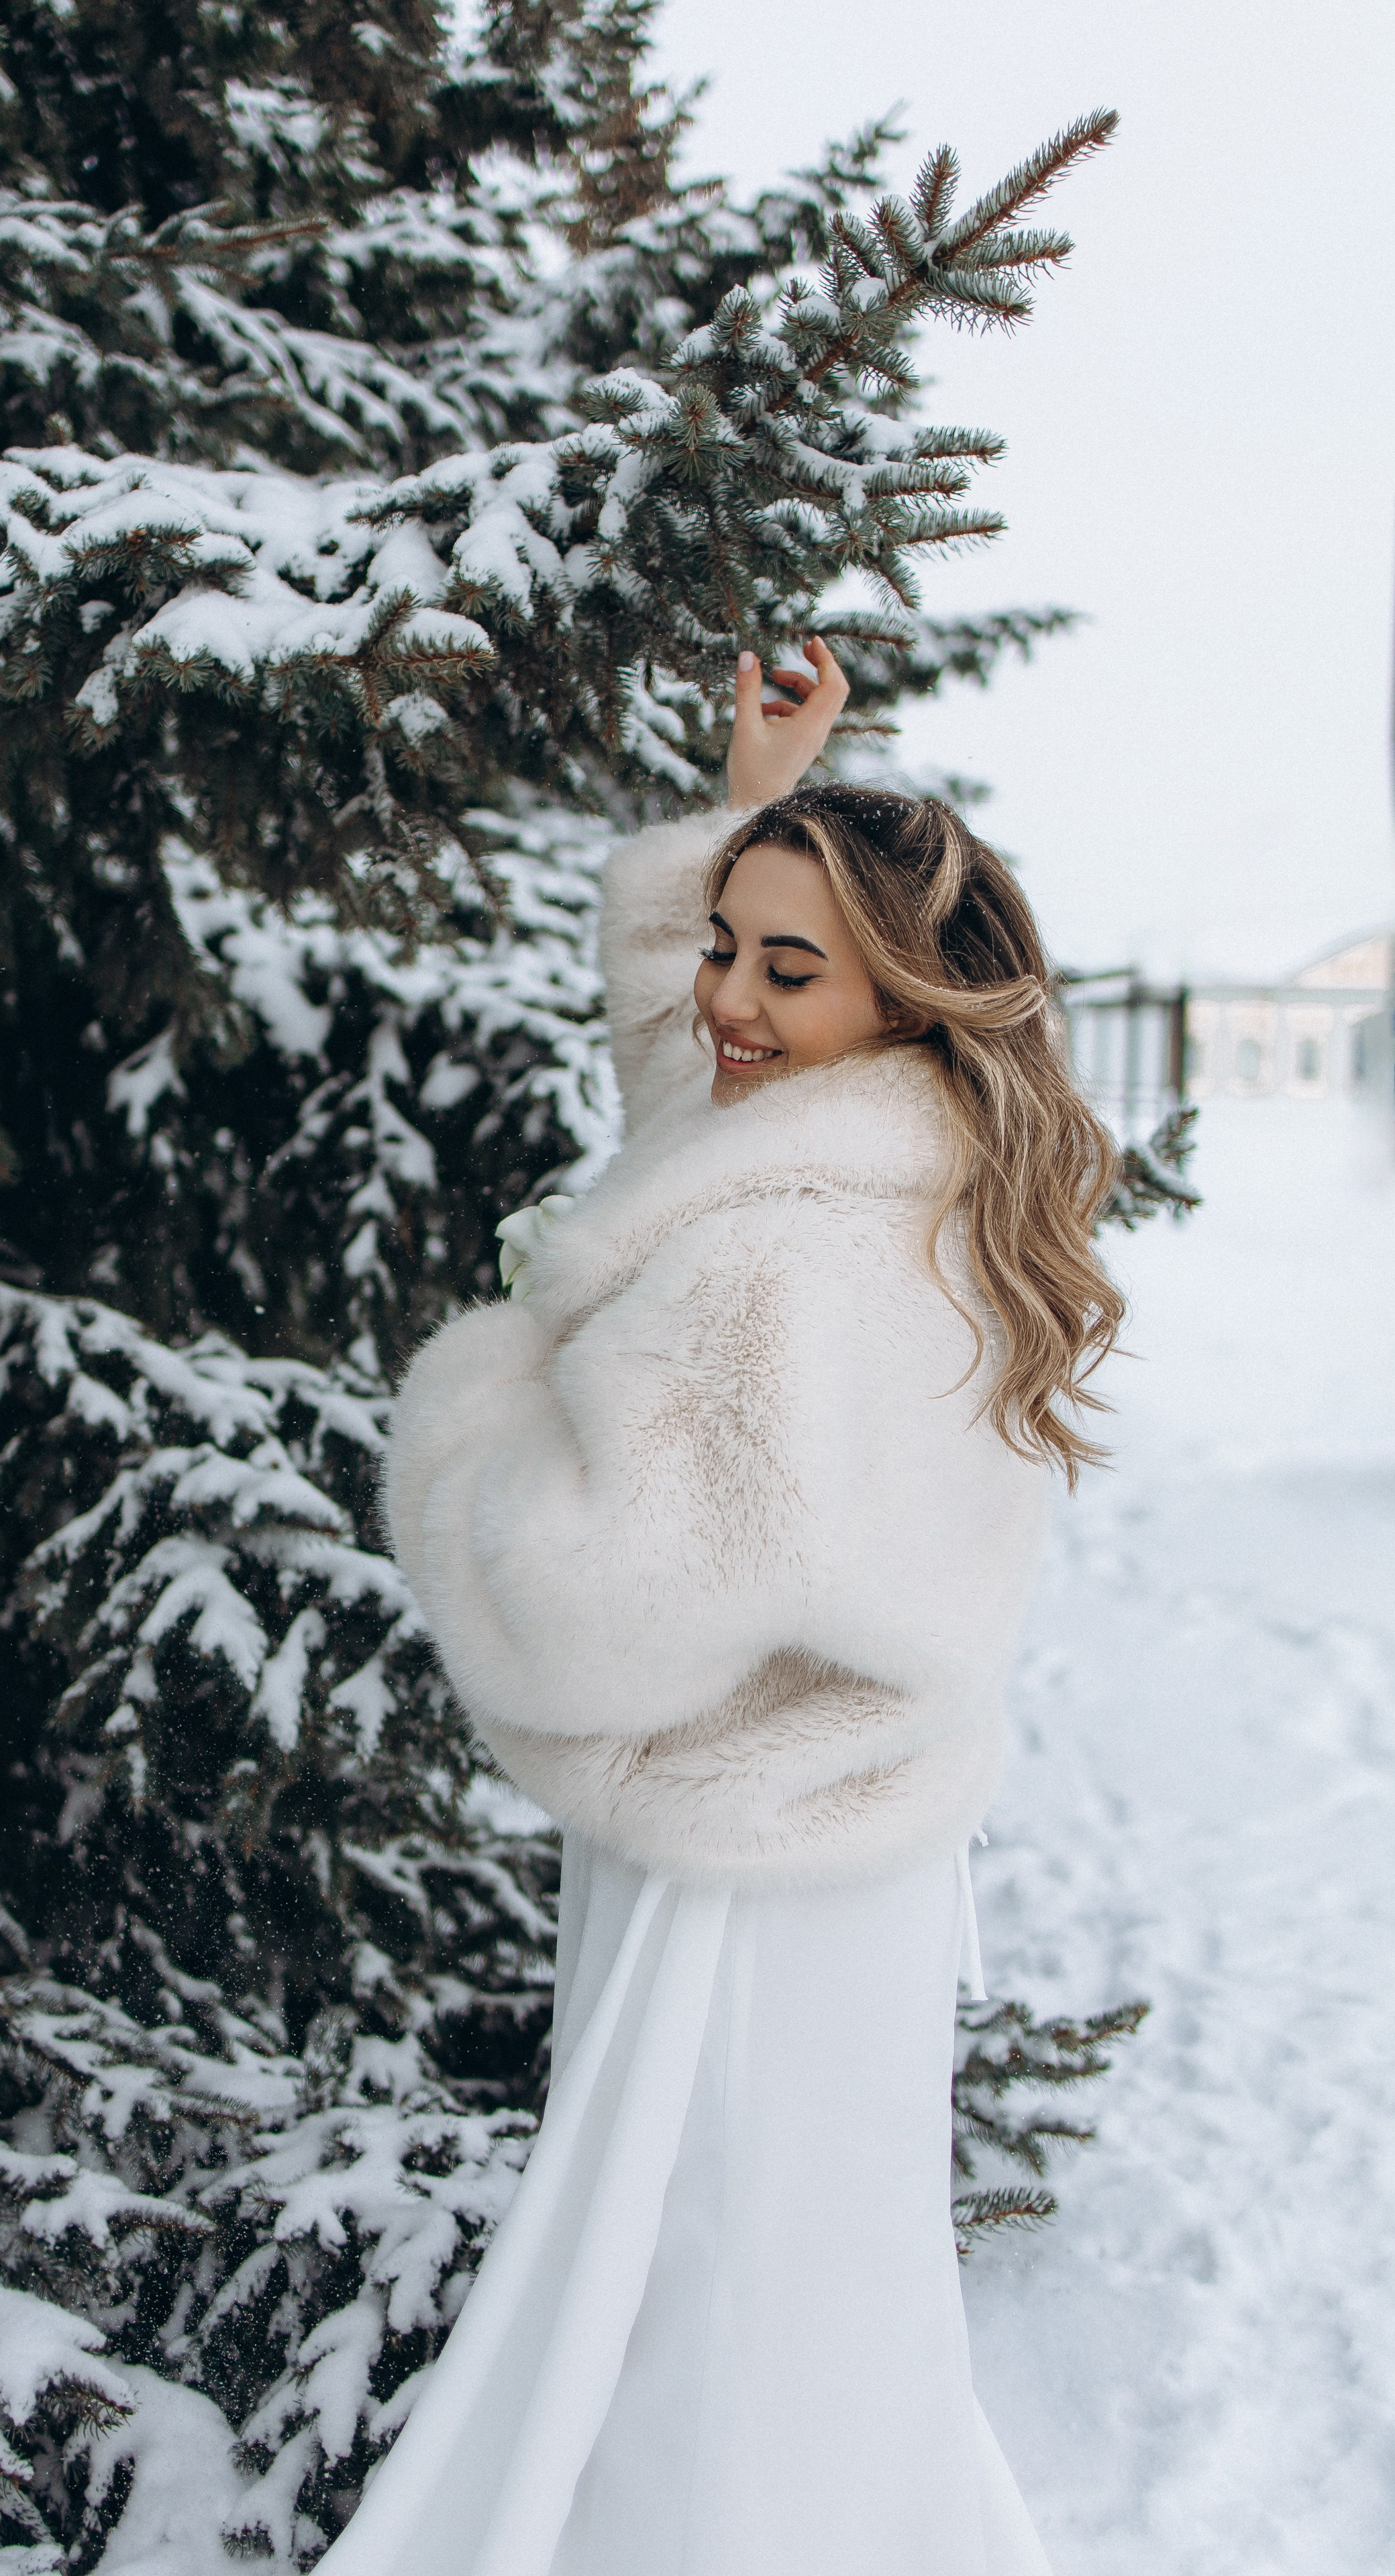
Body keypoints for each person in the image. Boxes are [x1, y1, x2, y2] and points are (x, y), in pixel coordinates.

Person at [323, 642, 1126, 2576]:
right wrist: (757, 787)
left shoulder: (774, 1261)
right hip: (843, 1832)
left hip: (732, 1868)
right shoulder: (913, 1163)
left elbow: (586, 1605)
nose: (726, 1001)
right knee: (817, 2281)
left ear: (898, 998)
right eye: (725, 944)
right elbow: (707, 1109)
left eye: (789, 965)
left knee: (704, 2294)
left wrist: (485, 1396)